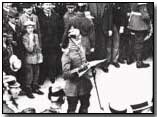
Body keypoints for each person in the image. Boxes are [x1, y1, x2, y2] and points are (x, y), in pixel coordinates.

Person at [62, 28, 93, 113]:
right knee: (72, 109)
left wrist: (90, 68)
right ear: (71, 39)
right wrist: (79, 71)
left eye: (80, 37)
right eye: (77, 38)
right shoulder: (67, 54)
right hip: (73, 89)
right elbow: (65, 74)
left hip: (85, 85)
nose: (80, 39)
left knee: (85, 107)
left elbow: (84, 62)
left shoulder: (82, 48)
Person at [38, 3, 64, 84]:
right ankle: (43, 77)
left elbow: (60, 29)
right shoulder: (39, 17)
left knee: (53, 60)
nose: (48, 7)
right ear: (42, 6)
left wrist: (59, 41)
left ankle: (52, 76)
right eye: (46, 5)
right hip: (44, 42)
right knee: (44, 60)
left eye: (49, 4)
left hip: (54, 42)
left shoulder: (56, 16)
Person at [22, 20, 44, 98]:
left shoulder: (36, 35)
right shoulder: (24, 37)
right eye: (28, 28)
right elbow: (29, 49)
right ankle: (28, 89)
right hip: (29, 58)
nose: (30, 29)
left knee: (36, 72)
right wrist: (31, 40)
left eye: (31, 27)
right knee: (29, 74)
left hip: (36, 57)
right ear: (26, 29)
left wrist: (39, 55)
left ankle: (35, 87)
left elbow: (38, 47)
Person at [127, 3, 151, 68]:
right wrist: (149, 22)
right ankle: (139, 63)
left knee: (131, 41)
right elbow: (145, 15)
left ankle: (129, 59)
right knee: (139, 43)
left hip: (132, 23)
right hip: (139, 24)